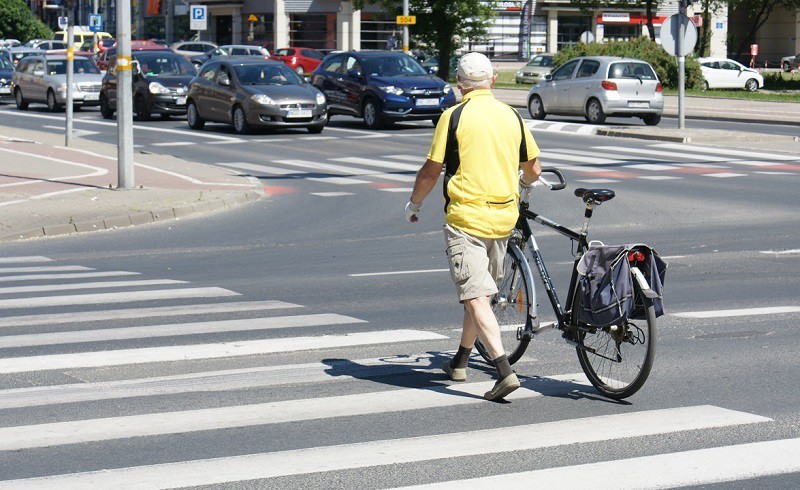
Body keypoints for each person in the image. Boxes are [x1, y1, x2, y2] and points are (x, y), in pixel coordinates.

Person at [404, 52, 542, 401]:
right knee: (479, 294)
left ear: (459, 85)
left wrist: (414, 204)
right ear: (493, 80)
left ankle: (504, 371)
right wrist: (522, 184)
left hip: (467, 219)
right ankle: (461, 362)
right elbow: (534, 169)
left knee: (476, 295)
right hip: (503, 219)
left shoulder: (453, 117)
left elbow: (431, 171)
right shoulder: (512, 116)